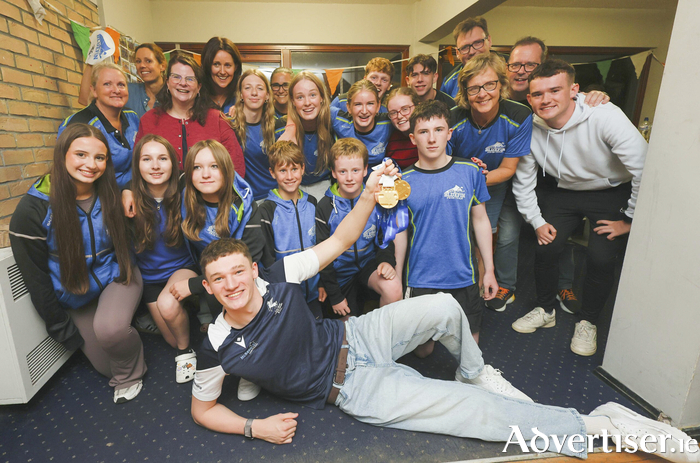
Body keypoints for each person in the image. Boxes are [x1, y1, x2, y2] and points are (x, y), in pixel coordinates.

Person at [188, 160, 696, 463]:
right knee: (474, 417)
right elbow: (202, 409)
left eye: (239, 272)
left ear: (253, 269)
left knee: (443, 306)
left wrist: (367, 193)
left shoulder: (281, 273)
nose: (233, 284)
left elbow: (343, 238)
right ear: (209, 288)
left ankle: (476, 372)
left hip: (358, 336)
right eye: (220, 279)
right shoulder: (214, 344)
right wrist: (255, 429)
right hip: (351, 390)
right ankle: (601, 425)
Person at [511, 59, 648, 357]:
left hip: (610, 192)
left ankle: (589, 320)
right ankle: (545, 309)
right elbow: (523, 182)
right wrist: (535, 221)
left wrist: (628, 220)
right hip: (565, 192)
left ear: (574, 90)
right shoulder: (530, 127)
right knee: (546, 247)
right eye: (537, 94)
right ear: (529, 97)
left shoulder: (605, 116)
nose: (545, 99)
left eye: (554, 90)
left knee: (600, 256)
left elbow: (644, 168)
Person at [9, 124, 146, 404]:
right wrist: (60, 328)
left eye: (100, 157)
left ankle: (127, 360)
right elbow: (36, 279)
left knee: (111, 331)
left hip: (117, 276)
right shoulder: (33, 210)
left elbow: (134, 189)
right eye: (81, 154)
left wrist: (129, 191)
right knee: (106, 366)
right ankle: (117, 330)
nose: (91, 165)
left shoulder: (110, 192)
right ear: (62, 155)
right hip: (76, 294)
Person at [504, 37, 609, 313]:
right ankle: (508, 287)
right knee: (512, 235)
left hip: (557, 182)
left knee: (557, 236)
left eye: (531, 64)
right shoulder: (496, 96)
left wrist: (593, 97)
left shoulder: (559, 94)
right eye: (516, 64)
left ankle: (564, 285)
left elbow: (579, 106)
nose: (522, 70)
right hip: (513, 174)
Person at [395, 100, 498, 348]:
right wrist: (398, 279)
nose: (432, 139)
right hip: (421, 277)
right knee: (423, 353)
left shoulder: (469, 171)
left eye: (439, 130)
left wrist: (490, 271)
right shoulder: (403, 181)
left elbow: (481, 221)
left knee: (470, 351)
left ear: (449, 133)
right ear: (412, 138)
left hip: (463, 275)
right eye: (423, 132)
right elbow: (400, 234)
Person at [449, 53, 532, 312]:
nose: (482, 93)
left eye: (489, 85)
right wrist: (469, 178)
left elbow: (508, 168)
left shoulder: (519, 115)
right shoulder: (452, 118)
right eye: (473, 88)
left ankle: (488, 286)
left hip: (495, 183)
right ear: (465, 91)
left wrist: (480, 178)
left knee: (492, 235)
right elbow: (444, 162)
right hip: (458, 183)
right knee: (461, 234)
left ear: (501, 85)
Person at [129, 134, 199, 384]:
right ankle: (190, 315)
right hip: (149, 279)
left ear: (174, 164)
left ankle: (185, 353)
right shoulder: (128, 200)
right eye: (147, 159)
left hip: (182, 269)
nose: (155, 166)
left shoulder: (186, 194)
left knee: (169, 306)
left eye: (162, 158)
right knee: (170, 337)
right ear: (137, 164)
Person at [316, 138, 402, 320]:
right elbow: (322, 256)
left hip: (367, 265)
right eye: (342, 171)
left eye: (355, 170)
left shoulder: (377, 197)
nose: (349, 177)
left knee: (393, 286)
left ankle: (382, 342)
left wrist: (387, 262)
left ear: (365, 171)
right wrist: (335, 295)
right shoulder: (325, 207)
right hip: (340, 274)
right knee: (346, 338)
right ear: (333, 172)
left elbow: (384, 237)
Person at [135, 53, 245, 176]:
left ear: (199, 87)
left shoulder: (218, 120)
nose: (183, 83)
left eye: (190, 79)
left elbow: (237, 168)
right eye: (176, 77)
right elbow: (136, 167)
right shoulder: (149, 120)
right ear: (167, 82)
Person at [259, 141, 323, 319]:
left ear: (303, 169)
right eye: (282, 170)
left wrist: (322, 283)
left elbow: (320, 246)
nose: (289, 176)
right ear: (272, 173)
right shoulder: (267, 210)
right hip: (285, 295)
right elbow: (267, 258)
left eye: (294, 169)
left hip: (313, 292)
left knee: (317, 333)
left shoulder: (312, 203)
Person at [59, 62, 138, 188]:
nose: (116, 90)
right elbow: (66, 174)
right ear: (94, 90)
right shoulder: (79, 123)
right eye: (107, 84)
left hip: (133, 192)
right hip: (99, 199)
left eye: (121, 85)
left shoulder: (132, 117)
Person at [278, 71, 335, 199]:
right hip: (293, 187)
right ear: (292, 101)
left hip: (325, 185)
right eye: (300, 97)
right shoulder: (281, 127)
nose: (307, 102)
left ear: (321, 97)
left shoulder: (333, 123)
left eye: (313, 95)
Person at [78, 43, 168, 118]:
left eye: (148, 61)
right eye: (138, 61)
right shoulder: (128, 90)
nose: (142, 65)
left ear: (162, 66)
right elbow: (85, 99)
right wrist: (91, 62)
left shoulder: (173, 94)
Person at [229, 69, 280, 200]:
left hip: (274, 196)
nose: (254, 93)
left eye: (260, 88)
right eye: (248, 88)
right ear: (241, 94)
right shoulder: (229, 125)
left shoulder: (277, 126)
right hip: (243, 198)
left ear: (268, 95)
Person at [331, 80, 393, 170]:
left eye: (370, 103)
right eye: (358, 104)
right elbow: (317, 108)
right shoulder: (338, 120)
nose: (364, 111)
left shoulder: (388, 122)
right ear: (349, 107)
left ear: (378, 106)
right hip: (349, 179)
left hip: (378, 180)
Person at [441, 17, 492, 99]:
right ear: (457, 53)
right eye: (465, 47)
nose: (472, 51)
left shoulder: (508, 72)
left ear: (489, 41)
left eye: (478, 43)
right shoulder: (449, 83)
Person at [201, 37, 243, 114]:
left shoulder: (243, 95)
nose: (223, 72)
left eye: (228, 65)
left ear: (236, 67)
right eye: (216, 64)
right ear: (208, 66)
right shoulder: (197, 96)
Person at [385, 87, 420, 169]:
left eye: (405, 109)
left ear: (418, 107)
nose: (399, 116)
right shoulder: (390, 140)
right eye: (393, 113)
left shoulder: (429, 136)